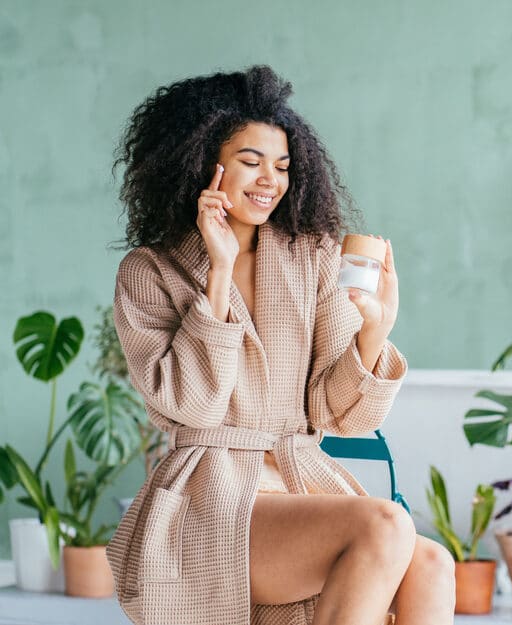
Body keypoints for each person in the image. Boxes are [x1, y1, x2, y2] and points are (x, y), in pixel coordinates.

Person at [106, 65, 454, 625]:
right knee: (385, 525)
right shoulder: (151, 271)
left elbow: (338, 415)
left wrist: (375, 331)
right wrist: (217, 271)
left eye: (283, 166)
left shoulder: (311, 258)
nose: (271, 178)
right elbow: (192, 407)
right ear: (201, 163)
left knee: (433, 563)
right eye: (250, 161)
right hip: (209, 496)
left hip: (298, 477)